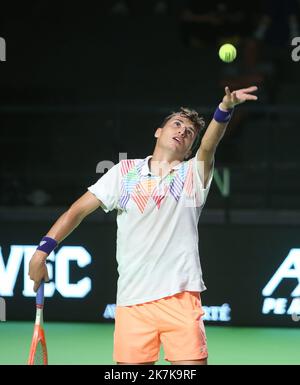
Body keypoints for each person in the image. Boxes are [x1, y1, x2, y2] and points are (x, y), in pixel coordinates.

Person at [29, 85, 258, 365]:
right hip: (132, 302)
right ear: (158, 132)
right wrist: (42, 251)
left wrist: (224, 109)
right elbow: (77, 211)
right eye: (177, 124)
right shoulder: (123, 172)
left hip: (180, 298)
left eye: (190, 133)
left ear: (189, 150)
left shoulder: (193, 174)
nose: (183, 131)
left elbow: (209, 145)